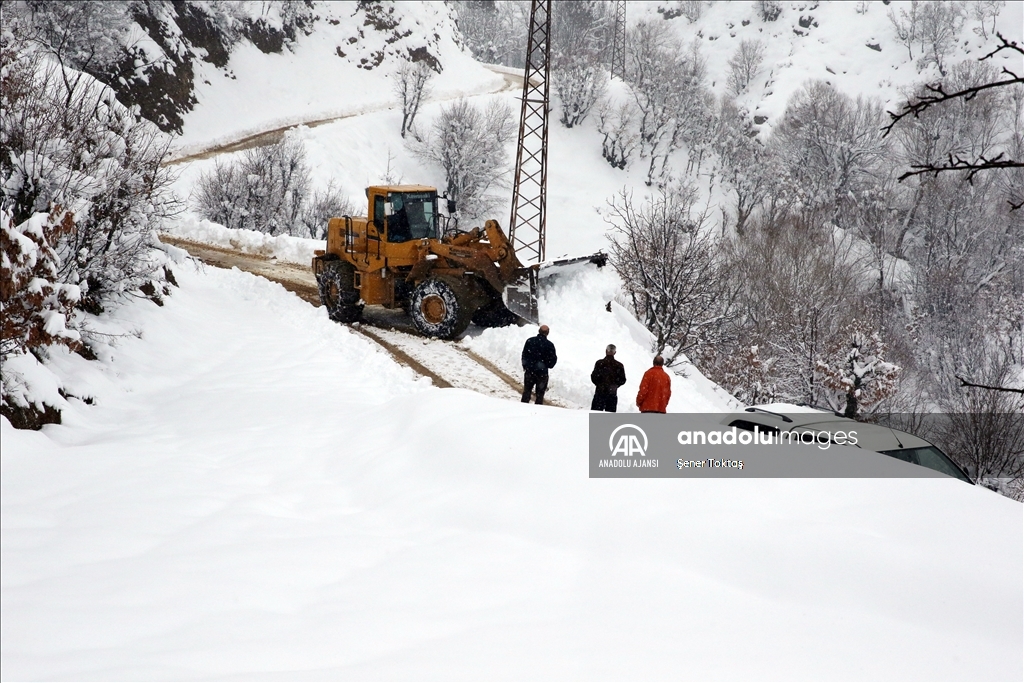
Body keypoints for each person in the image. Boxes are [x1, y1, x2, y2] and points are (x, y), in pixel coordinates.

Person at [521, 325, 557, 405]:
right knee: (540, 395)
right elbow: (553, 360)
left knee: (527, 392)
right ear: (547, 333)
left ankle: (522, 409)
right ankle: (537, 412)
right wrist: (546, 365)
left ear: (539, 331)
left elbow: (524, 355)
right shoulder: (549, 345)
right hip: (542, 374)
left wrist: (525, 366)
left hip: (530, 372)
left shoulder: (530, 341)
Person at [590, 344, 626, 412]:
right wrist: (615, 385)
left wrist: (599, 384)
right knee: (609, 419)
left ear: (606, 351)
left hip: (599, 393)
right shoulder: (619, 365)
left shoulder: (599, 363)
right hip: (612, 395)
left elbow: (593, 377)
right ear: (615, 352)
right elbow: (623, 380)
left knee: (595, 416)